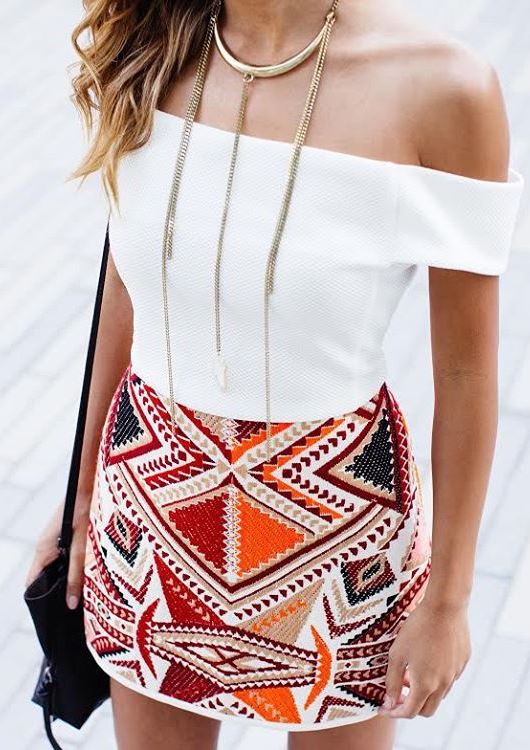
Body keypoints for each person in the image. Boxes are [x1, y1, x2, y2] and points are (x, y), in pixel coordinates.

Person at [25, 1, 524, 749]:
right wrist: (81, 494)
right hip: (151, 515)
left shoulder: (446, 89)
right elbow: (123, 286)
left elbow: (464, 372)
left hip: (341, 535)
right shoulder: (151, 46)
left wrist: (450, 601)